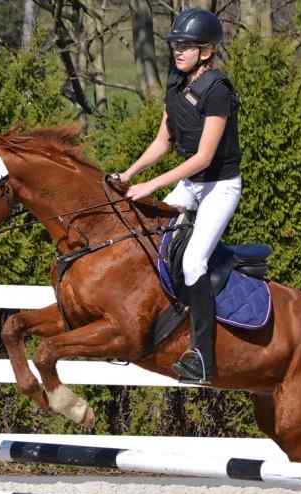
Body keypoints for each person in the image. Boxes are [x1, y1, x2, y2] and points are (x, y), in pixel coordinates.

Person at [115, 8, 242, 384]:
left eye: (186, 47)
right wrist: (128, 174)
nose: (178, 52)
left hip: (219, 187)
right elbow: (163, 141)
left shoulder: (218, 92)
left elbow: (204, 156)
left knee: (192, 263)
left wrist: (152, 186)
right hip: (191, 184)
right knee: (149, 242)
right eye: (176, 46)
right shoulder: (176, 83)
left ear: (206, 51)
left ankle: (203, 356)